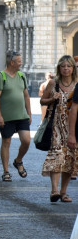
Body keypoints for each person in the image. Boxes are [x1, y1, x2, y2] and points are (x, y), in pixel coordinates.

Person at [41, 56, 77, 203]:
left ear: (73, 68)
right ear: (59, 68)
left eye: (69, 66)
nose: (66, 69)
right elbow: (42, 100)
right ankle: (54, 190)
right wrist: (51, 99)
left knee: (70, 158)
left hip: (73, 126)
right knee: (56, 156)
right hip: (56, 124)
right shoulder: (53, 83)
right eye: (63, 66)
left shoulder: (77, 84)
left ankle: (63, 192)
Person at [0, 50, 31, 182]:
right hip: (6, 117)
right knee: (6, 142)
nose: (21, 63)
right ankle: (6, 171)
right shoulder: (1, 77)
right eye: (19, 61)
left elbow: (26, 95)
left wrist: (29, 113)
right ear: (12, 62)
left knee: (26, 141)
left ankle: (18, 161)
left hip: (22, 116)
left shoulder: (21, 76)